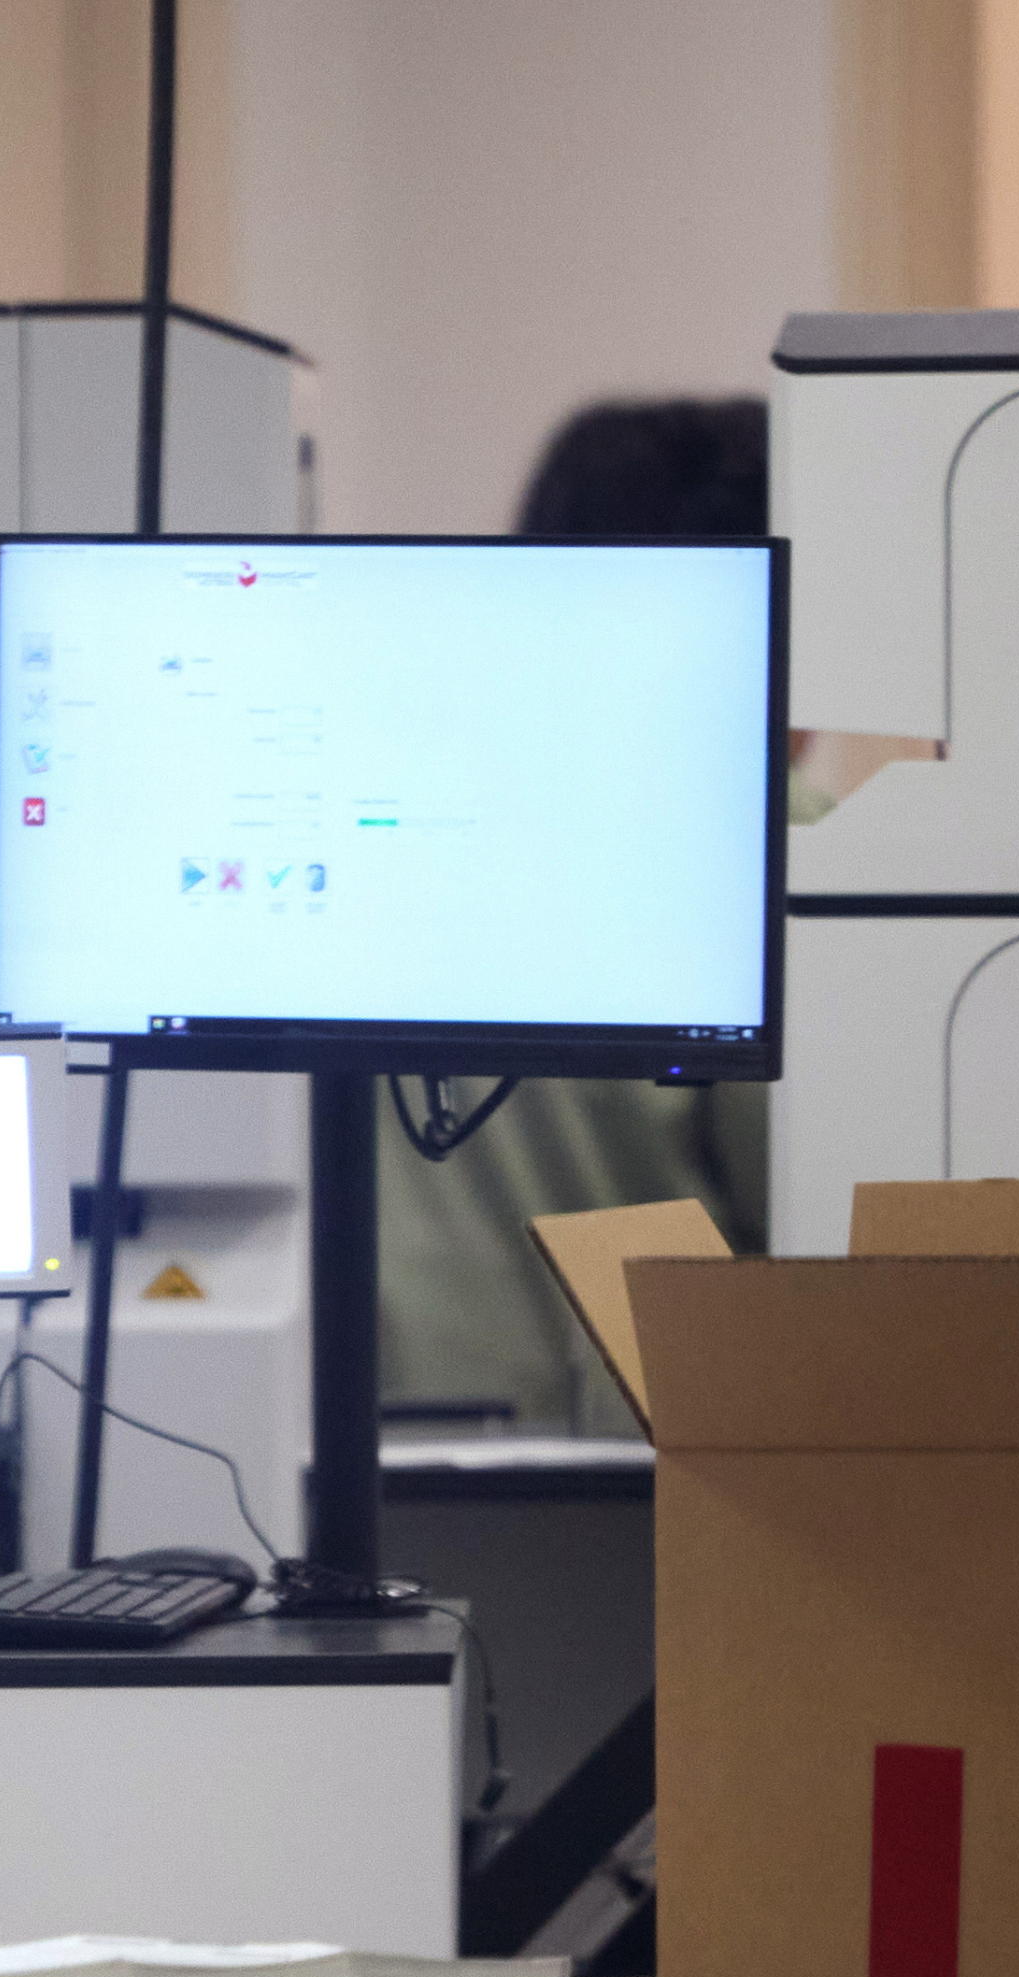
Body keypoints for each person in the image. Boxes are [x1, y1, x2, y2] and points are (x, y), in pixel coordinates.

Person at [374, 395, 791, 1435]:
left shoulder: (384, 819)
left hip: (361, 1449)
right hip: (657, 1481)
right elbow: (838, 1226)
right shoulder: (766, 858)